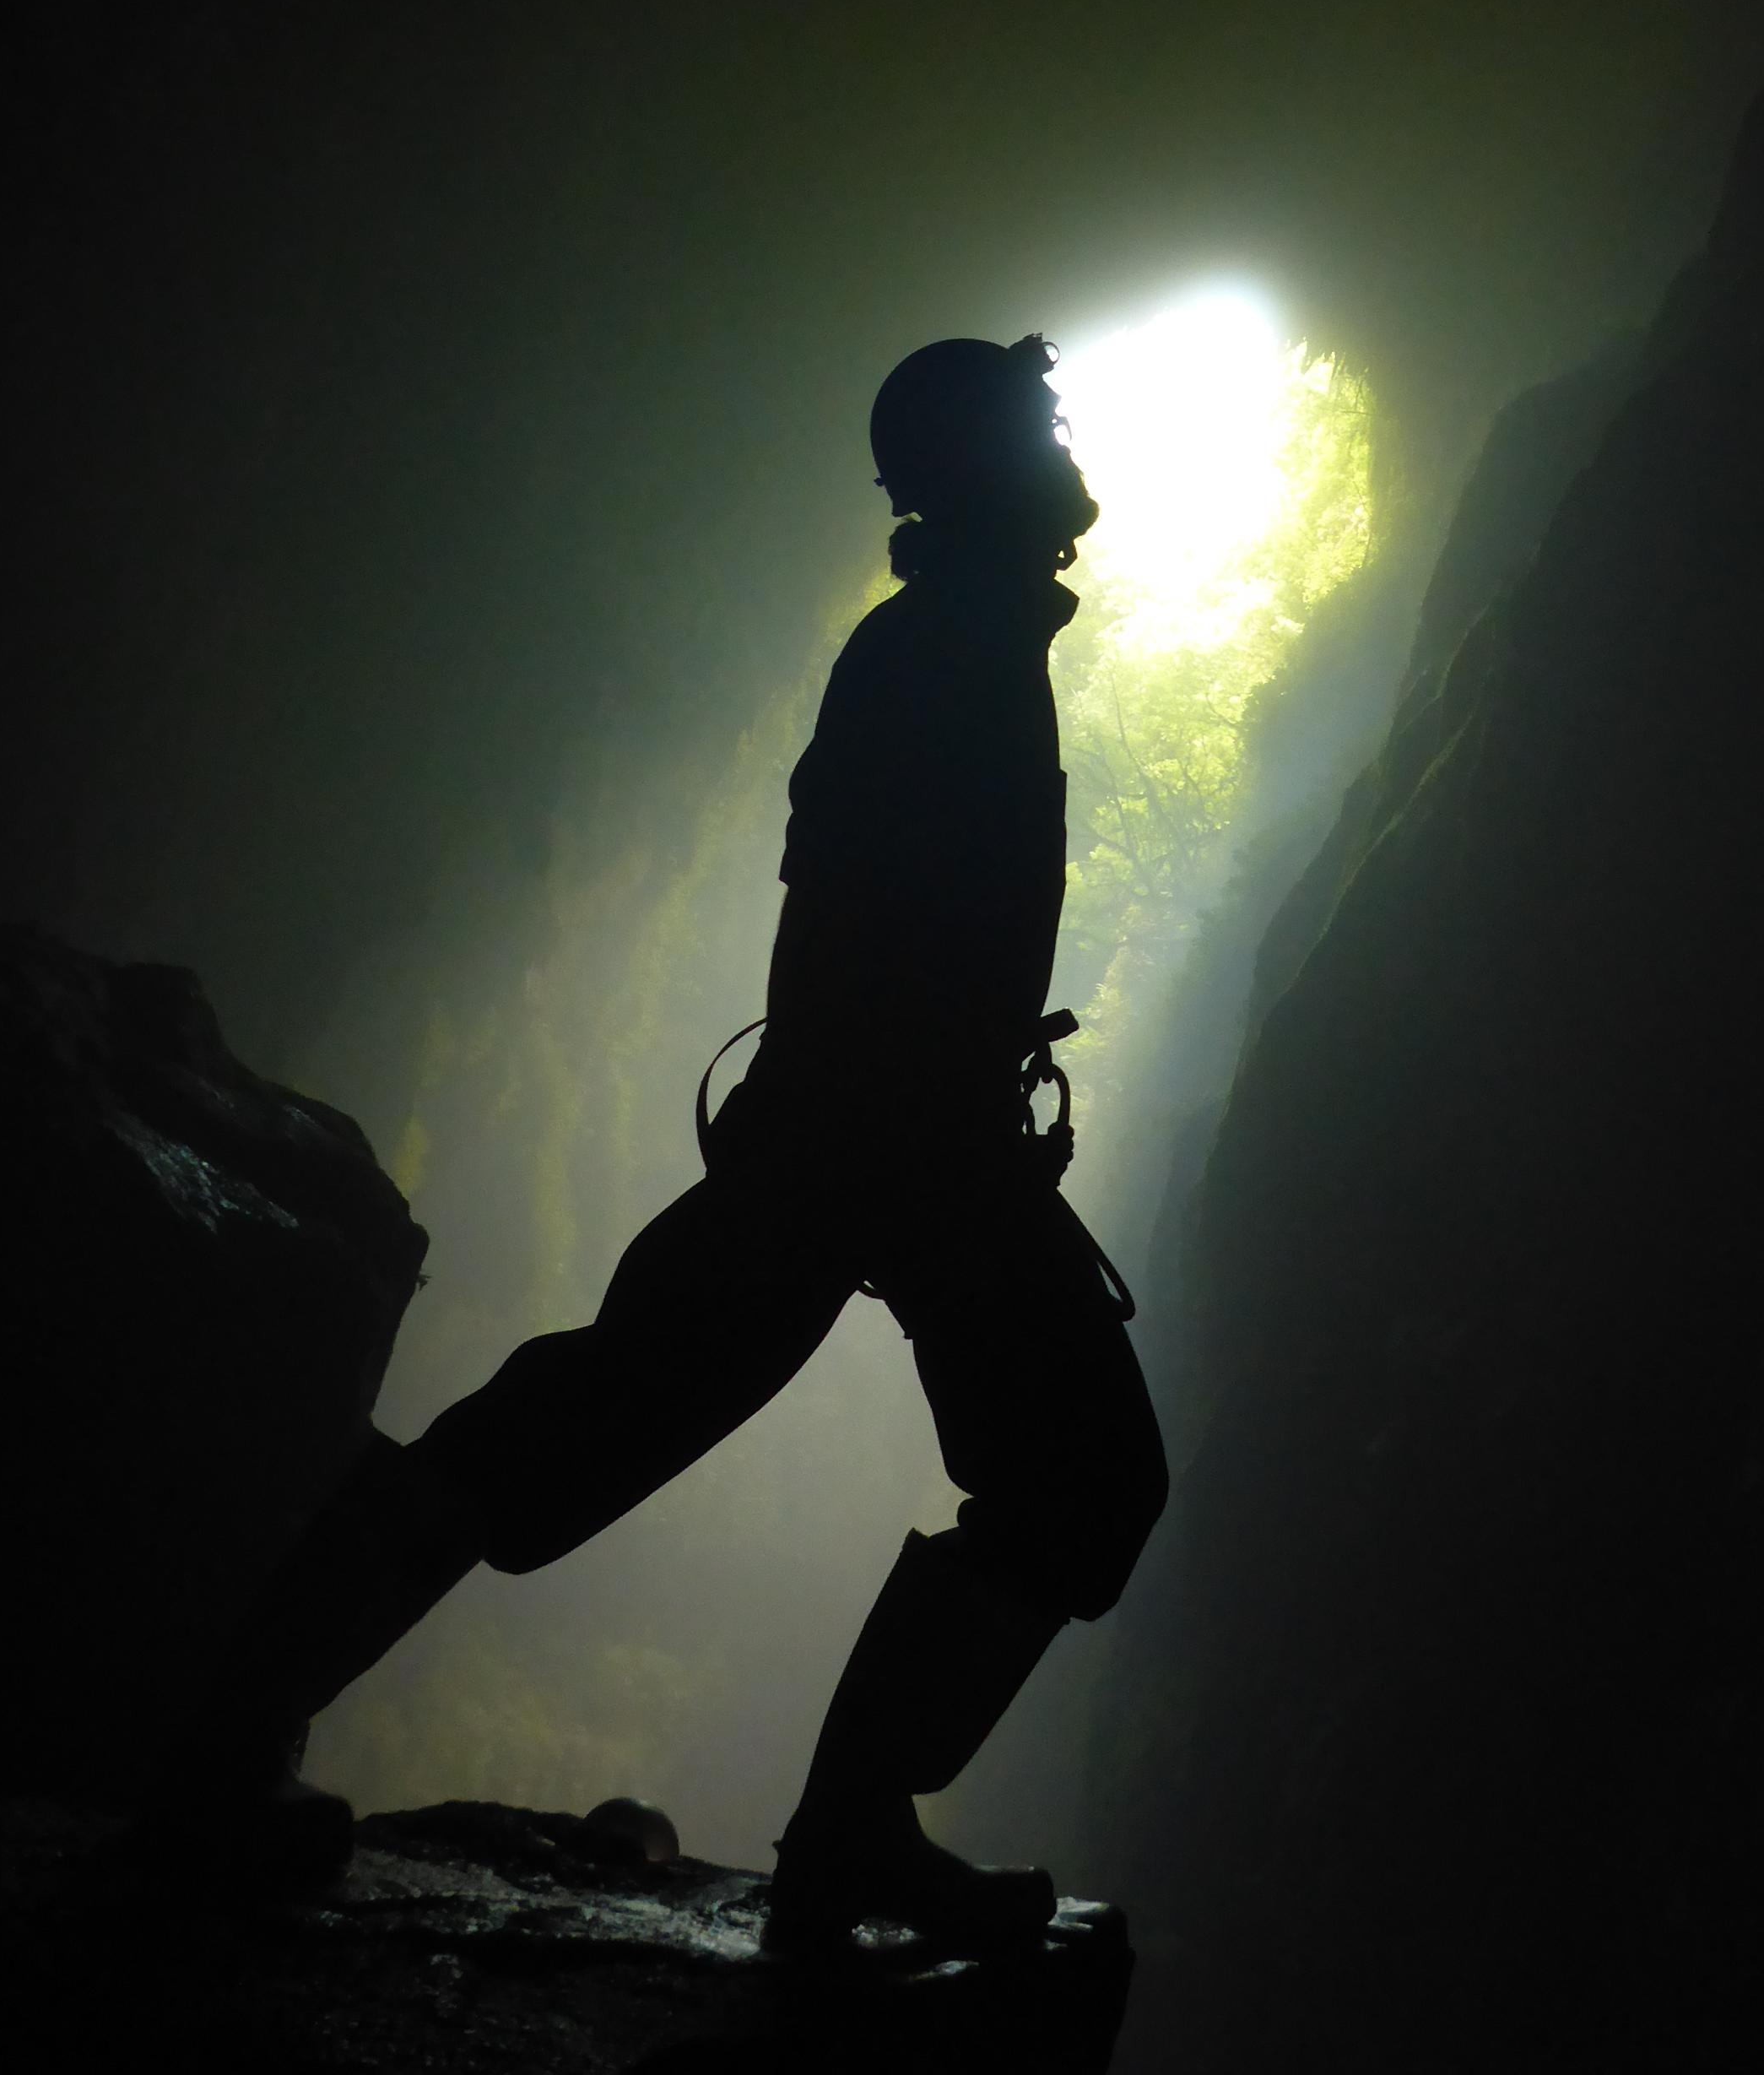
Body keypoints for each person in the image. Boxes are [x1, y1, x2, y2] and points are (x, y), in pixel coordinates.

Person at [171, 333, 1167, 1949]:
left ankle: (240, 1727)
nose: (1069, 444)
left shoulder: (959, 640)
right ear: (980, 465)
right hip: (884, 1146)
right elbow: (856, 927)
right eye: (1039, 422)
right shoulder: (943, 651)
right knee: (1056, 1473)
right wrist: (927, 1139)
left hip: (875, 1145)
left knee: (608, 1419)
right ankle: (839, 1835)